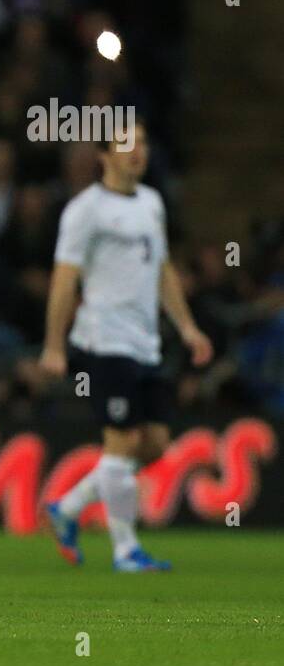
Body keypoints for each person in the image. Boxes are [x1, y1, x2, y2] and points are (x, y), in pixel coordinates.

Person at [40, 122, 213, 572]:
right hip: (103, 339)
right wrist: (54, 345)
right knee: (121, 442)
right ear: (104, 155)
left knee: (153, 445)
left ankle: (69, 507)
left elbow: (162, 270)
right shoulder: (85, 210)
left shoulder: (152, 203)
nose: (139, 150)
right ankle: (125, 549)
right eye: (127, 143)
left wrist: (188, 327)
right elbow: (64, 278)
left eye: (144, 141)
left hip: (146, 343)